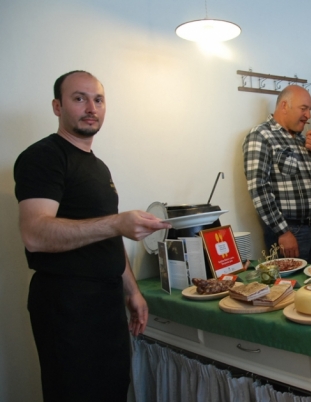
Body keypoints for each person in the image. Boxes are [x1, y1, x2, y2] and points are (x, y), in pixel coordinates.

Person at [13, 71, 172, 401]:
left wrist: (133, 291)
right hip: (66, 304)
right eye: (79, 98)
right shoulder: (44, 157)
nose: (91, 107)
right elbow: (35, 234)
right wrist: (116, 223)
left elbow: (107, 235)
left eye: (98, 99)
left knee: (112, 389)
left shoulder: (98, 167)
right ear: (57, 107)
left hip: (106, 301)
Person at [243, 85, 311, 263]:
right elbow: (258, 188)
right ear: (284, 106)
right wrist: (282, 231)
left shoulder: (303, 140)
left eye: (309, 110)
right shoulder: (261, 136)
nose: (308, 116)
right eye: (303, 108)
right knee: (292, 287)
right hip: (289, 230)